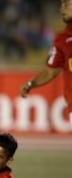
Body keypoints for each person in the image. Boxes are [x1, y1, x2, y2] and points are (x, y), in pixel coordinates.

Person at [21, 0, 72, 128]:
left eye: (66, 4)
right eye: (61, 5)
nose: (62, 9)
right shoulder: (63, 39)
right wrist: (31, 83)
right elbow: (51, 71)